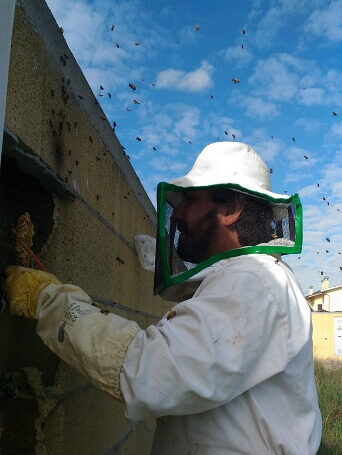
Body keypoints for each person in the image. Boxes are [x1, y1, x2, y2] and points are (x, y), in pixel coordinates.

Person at [4, 142, 322, 454]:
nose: (178, 213)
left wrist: (48, 300)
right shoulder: (253, 282)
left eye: (190, 199)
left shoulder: (255, 280)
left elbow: (146, 371)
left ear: (230, 209)